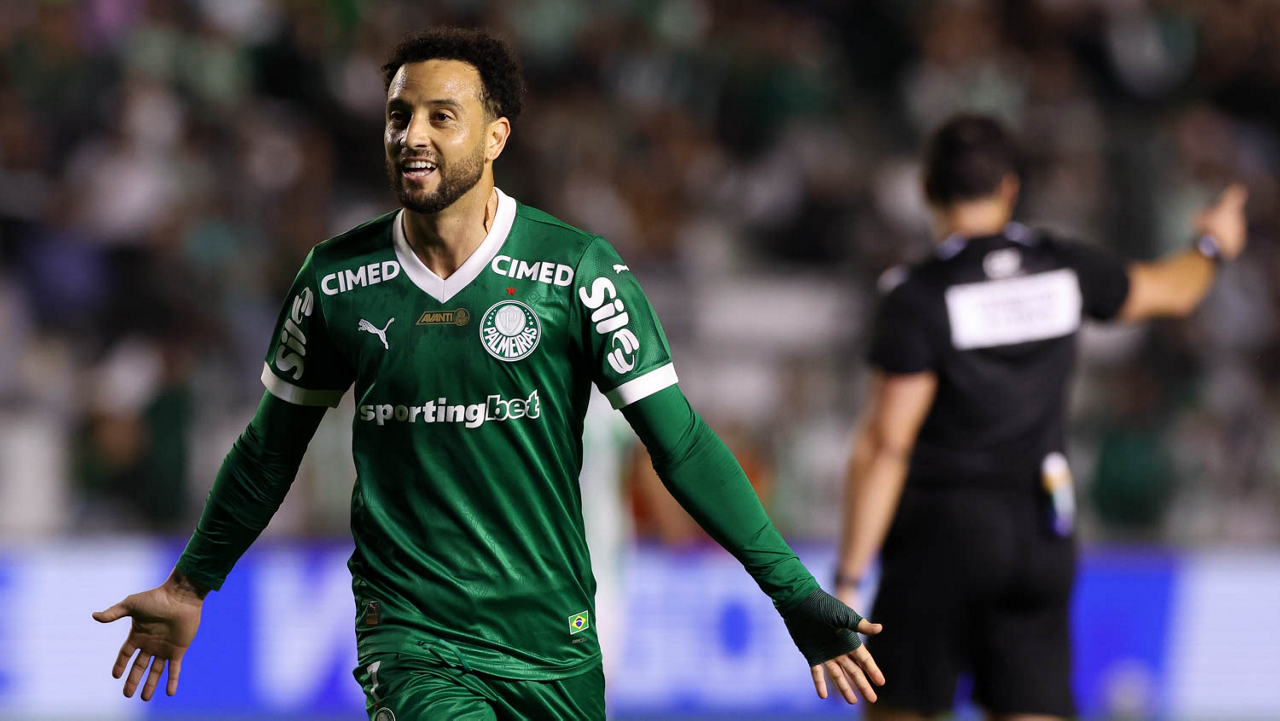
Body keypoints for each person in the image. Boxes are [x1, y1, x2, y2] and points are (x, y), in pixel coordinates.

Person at [92, 27, 883, 719]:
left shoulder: (576, 271)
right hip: (412, 635)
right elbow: (269, 450)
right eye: (399, 115)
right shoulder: (336, 279)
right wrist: (190, 583)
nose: (412, 135)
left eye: (442, 116)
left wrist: (791, 589)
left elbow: (680, 443)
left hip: (555, 641)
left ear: (496, 135)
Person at [834, 114, 1247, 721]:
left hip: (943, 537)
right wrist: (1212, 245)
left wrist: (848, 578)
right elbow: (1174, 290)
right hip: (1041, 533)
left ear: (927, 190)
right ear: (1009, 187)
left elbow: (887, 444)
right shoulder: (1061, 266)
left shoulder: (917, 295)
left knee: (900, 708)